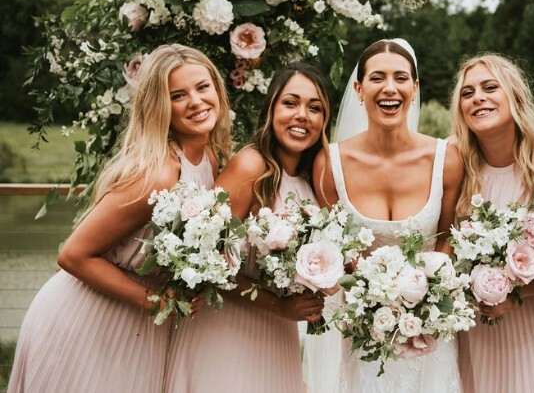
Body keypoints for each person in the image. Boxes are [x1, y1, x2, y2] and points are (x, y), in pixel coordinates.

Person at [7, 44, 231, 392]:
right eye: (178, 95)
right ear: (160, 107)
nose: (197, 101)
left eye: (203, 87)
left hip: (139, 325)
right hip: (89, 319)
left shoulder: (213, 159)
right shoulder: (157, 173)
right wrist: (157, 301)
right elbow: (72, 255)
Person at [165, 62, 329, 392]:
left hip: (277, 333)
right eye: (290, 103)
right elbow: (205, 264)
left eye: (315, 108)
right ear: (271, 108)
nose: (302, 115)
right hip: (226, 333)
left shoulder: (314, 178)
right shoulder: (251, 165)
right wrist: (280, 306)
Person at [312, 38, 465, 393]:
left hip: (428, 337)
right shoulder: (329, 164)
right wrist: (377, 301)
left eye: (400, 78)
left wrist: (421, 304)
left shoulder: (447, 159)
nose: (389, 88)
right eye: (377, 78)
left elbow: (447, 243)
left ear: (415, 87)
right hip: (366, 338)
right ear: (359, 89)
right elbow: (338, 255)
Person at [449, 53, 534, 393]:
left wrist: (518, 293)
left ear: (515, 97)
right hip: (480, 330)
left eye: (490, 87)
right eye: (468, 93)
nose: (478, 97)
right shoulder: (454, 170)